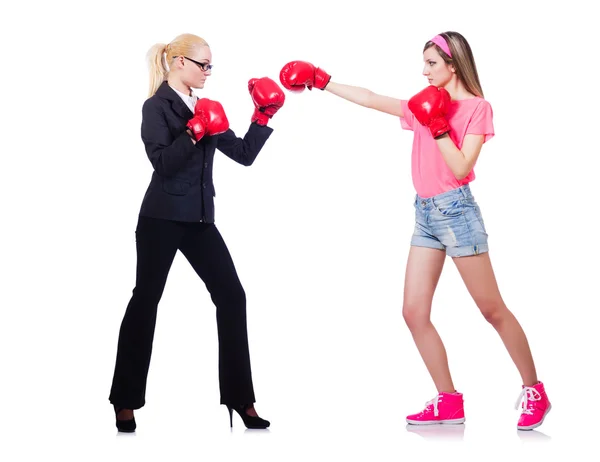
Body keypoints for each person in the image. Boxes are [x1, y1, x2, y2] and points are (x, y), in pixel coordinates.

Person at [278, 31, 551, 431]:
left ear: (453, 64)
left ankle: (535, 390)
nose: (424, 71)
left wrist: (437, 125)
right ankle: (449, 401)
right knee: (413, 312)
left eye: (431, 64)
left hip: (457, 213)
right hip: (424, 214)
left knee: (491, 310)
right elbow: (372, 99)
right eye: (424, 63)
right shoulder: (424, 105)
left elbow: (460, 168)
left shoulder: (477, 108)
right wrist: (322, 80)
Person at [109, 33, 285, 432]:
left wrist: (262, 117)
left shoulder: (206, 107)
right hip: (161, 217)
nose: (208, 72)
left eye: (210, 66)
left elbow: (243, 155)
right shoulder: (156, 107)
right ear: (179, 63)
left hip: (201, 220)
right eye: (203, 64)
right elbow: (163, 164)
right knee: (146, 300)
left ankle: (242, 400)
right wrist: (194, 131)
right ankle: (124, 400)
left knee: (232, 296)